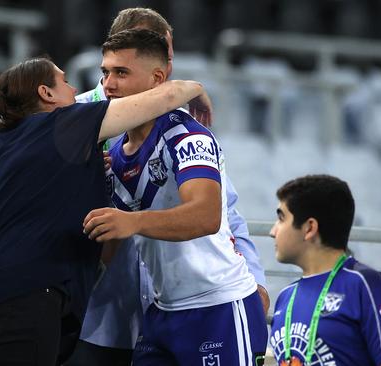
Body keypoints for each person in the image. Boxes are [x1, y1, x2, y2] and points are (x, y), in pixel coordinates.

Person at [0, 57, 213, 366]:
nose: (74, 89)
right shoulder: (61, 123)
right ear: (46, 94)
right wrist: (194, 89)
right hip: (23, 305)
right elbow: (165, 97)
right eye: (64, 82)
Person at [67, 7, 268, 365]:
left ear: (160, 75)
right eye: (106, 72)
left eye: (121, 73)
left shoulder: (187, 133)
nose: (110, 83)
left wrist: (256, 277)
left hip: (214, 305)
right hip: (140, 314)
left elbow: (213, 214)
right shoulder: (83, 125)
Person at [269, 175, 381, 366]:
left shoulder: (366, 285)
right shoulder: (285, 297)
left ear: (309, 228)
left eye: (281, 219)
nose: (272, 231)